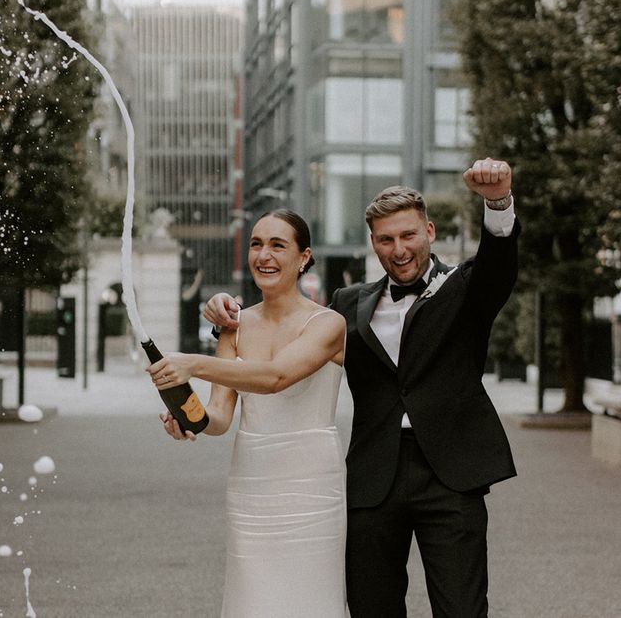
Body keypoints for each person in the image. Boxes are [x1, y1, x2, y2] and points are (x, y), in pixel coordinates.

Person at [203, 158, 519, 617]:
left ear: (429, 231)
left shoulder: (467, 287)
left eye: (408, 235)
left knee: (462, 610)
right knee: (372, 609)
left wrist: (498, 201)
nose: (399, 249)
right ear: (373, 244)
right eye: (385, 239)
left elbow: (500, 264)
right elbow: (286, 336)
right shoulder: (346, 306)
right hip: (372, 479)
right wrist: (224, 318)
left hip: (451, 475)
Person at [147, 209, 347, 618]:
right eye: (256, 244)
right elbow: (219, 417)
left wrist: (193, 363)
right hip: (252, 482)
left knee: (312, 598)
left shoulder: (329, 324)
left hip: (312, 483)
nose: (264, 255)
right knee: (252, 600)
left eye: (278, 245)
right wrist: (189, 418)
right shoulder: (234, 326)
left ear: (304, 256)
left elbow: (275, 377)